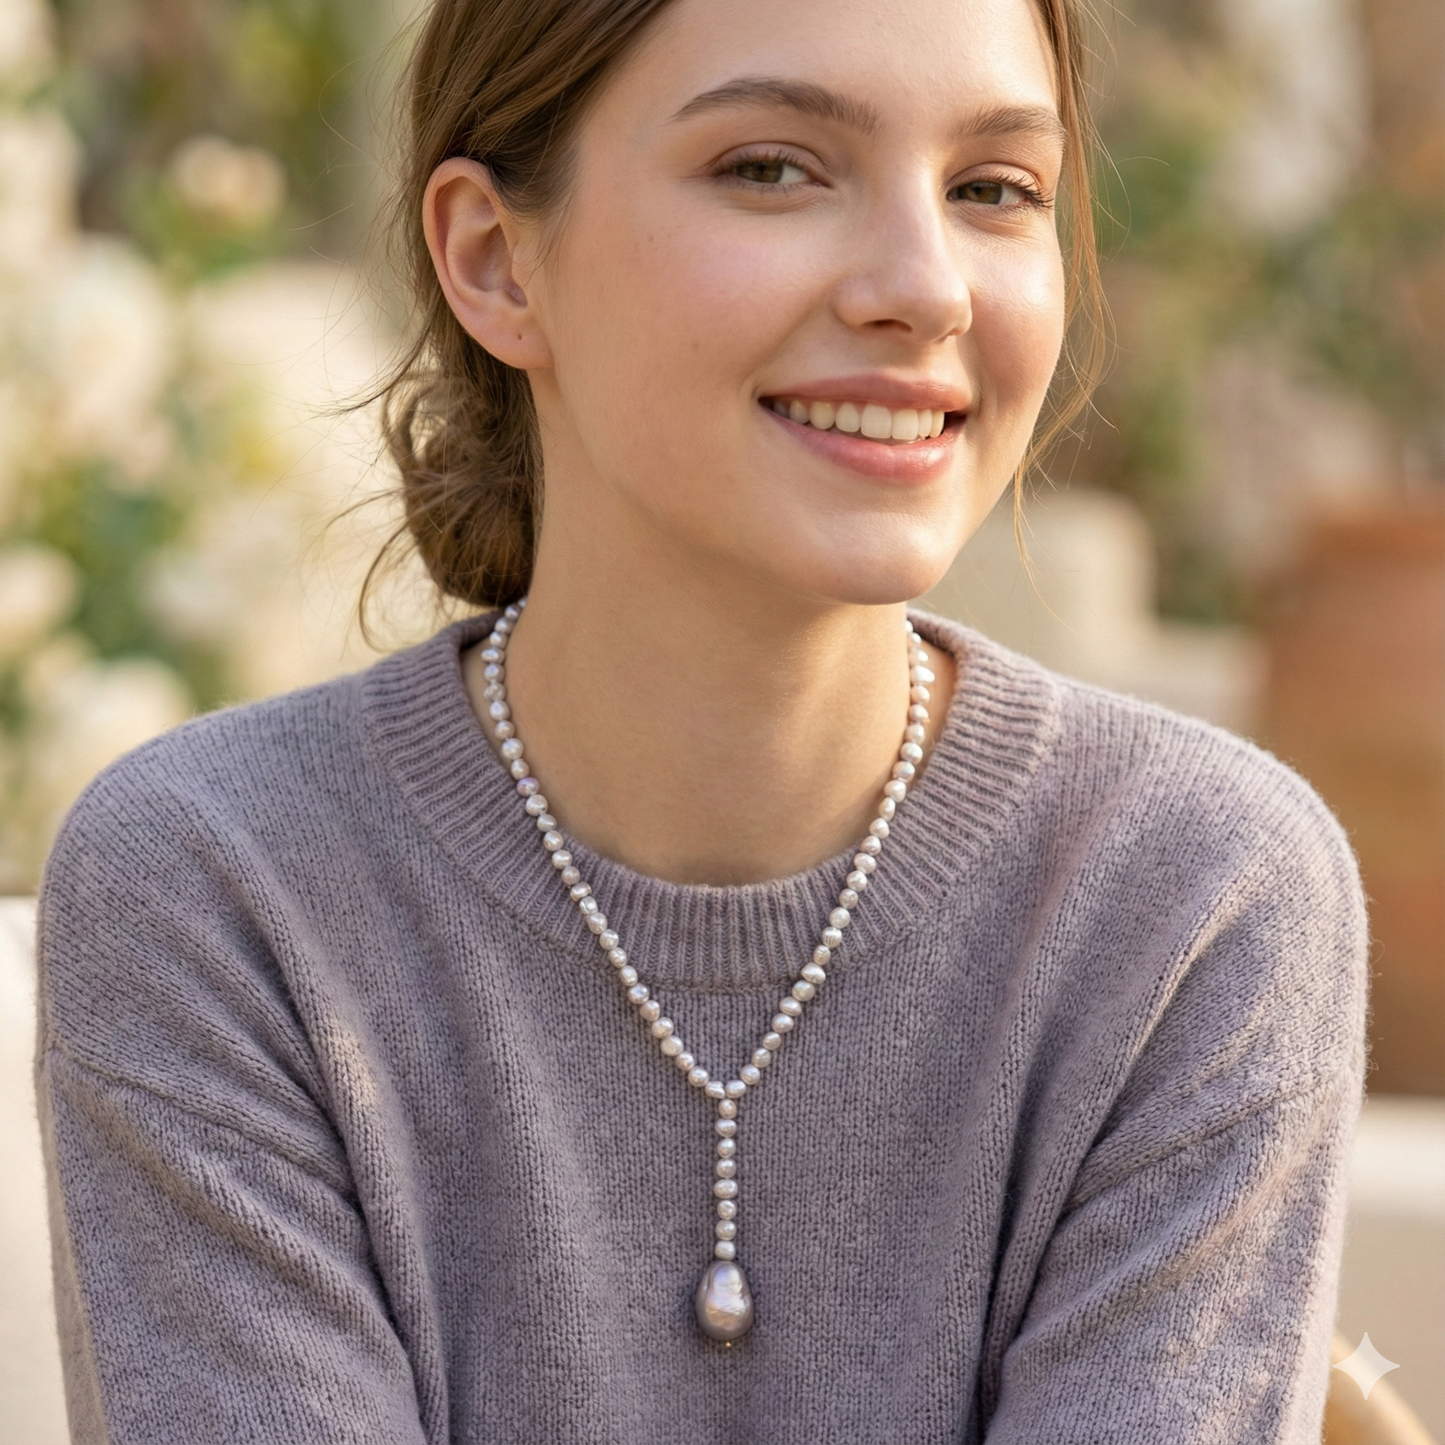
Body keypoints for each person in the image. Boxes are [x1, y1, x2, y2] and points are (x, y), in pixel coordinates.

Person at [34, 0, 1368, 1440]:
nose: (926, 290)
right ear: (494, 258)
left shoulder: (1192, 899)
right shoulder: (224, 889)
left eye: (994, 188)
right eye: (772, 168)